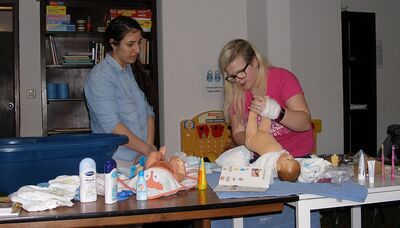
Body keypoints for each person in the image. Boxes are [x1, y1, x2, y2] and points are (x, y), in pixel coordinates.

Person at [218, 38, 314, 158]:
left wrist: (276, 112)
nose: (238, 79)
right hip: (262, 159)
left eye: (241, 72)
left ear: (254, 62)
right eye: (232, 76)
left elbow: (304, 123)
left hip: (296, 157)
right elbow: (238, 132)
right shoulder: (235, 92)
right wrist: (253, 140)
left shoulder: (282, 78)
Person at [84, 16, 158, 168]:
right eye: (130, 44)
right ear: (113, 44)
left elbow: (148, 112)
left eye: (139, 43)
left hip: (140, 158)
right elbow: (112, 126)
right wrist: (147, 150)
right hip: (115, 160)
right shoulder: (100, 77)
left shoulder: (133, 70)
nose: (137, 50)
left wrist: (148, 148)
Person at [246, 109, 300, 182]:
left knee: (252, 119)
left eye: (288, 159)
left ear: (278, 167)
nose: (291, 156)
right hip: (265, 134)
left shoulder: (269, 164)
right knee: (267, 119)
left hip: (253, 140)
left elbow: (260, 164)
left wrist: (250, 169)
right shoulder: (281, 158)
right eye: (293, 159)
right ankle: (266, 108)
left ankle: (253, 111)